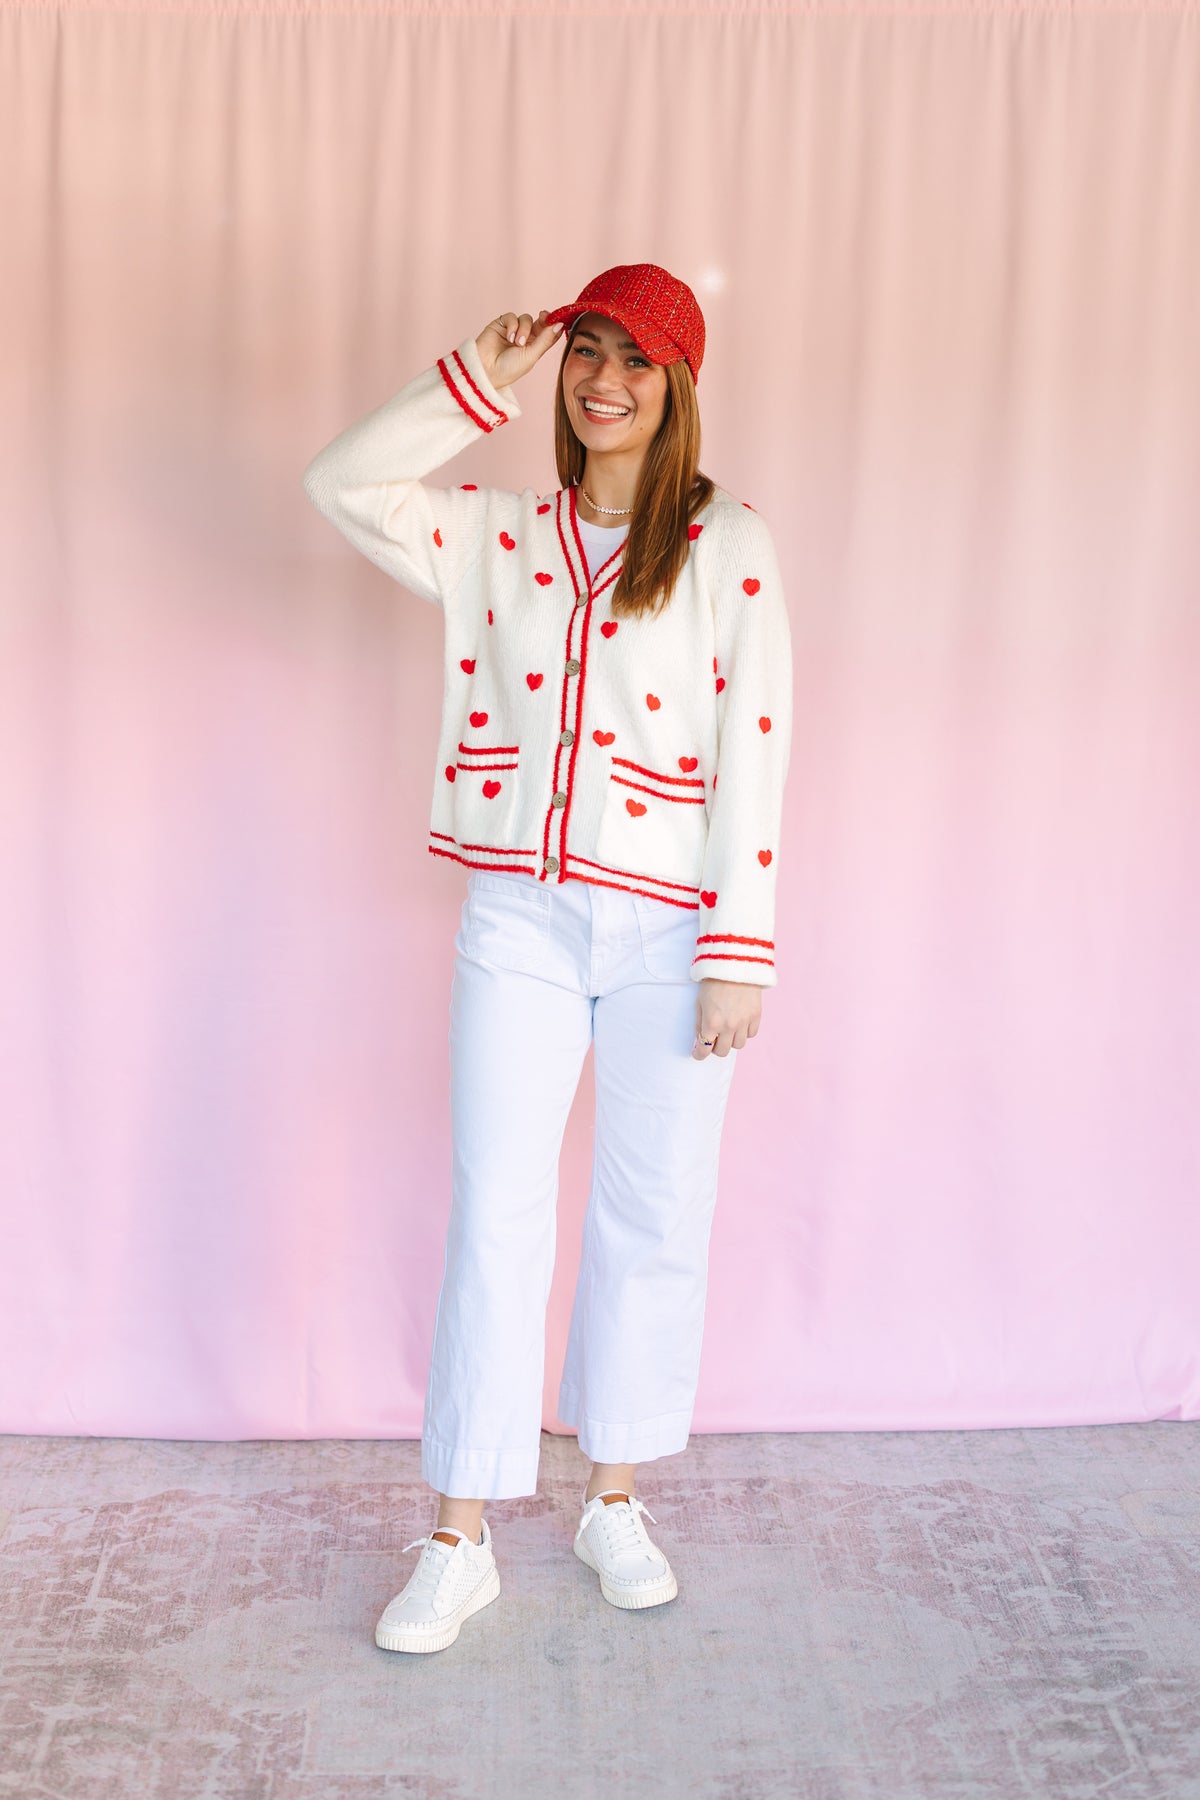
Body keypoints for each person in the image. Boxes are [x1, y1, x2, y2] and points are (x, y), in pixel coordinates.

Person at [301, 263, 793, 1654]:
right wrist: (476, 373)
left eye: (636, 360)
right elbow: (343, 483)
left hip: (675, 929)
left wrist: (739, 952)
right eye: (587, 353)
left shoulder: (731, 545)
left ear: (677, 385)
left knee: (654, 1211)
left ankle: (613, 1499)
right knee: (495, 1209)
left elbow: (759, 745)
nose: (604, 381)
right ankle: (458, 1535)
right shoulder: (499, 537)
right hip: (518, 916)